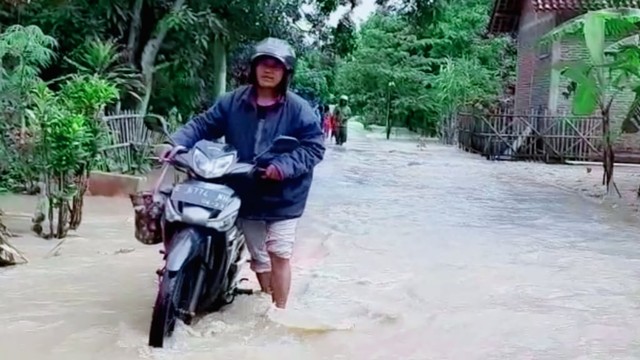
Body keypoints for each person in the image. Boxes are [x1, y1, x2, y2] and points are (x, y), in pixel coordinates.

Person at [164, 37, 325, 309]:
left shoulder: (299, 109)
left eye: (277, 66)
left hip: (284, 196)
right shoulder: (232, 101)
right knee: (259, 257)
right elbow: (203, 125)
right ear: (253, 67)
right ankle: (266, 303)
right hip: (244, 189)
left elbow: (314, 148)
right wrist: (175, 143)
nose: (269, 70)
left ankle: (280, 312)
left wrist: (281, 167)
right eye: (263, 63)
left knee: (279, 252)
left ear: (286, 73)